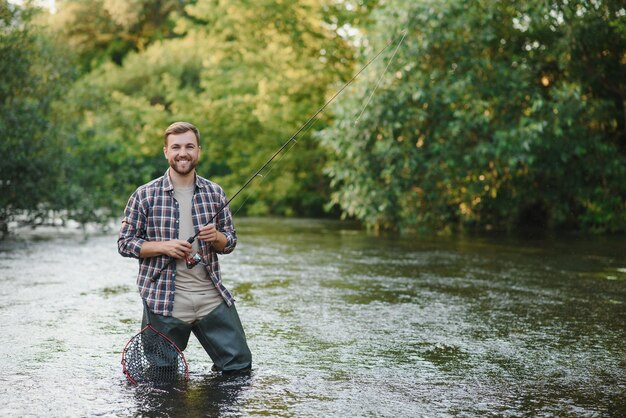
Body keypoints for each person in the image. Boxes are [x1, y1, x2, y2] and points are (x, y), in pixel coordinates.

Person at [118, 121, 252, 374]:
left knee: (239, 368)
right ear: (166, 152)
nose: (183, 153)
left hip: (210, 297)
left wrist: (217, 238)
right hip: (163, 300)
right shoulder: (144, 195)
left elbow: (230, 242)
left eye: (189, 146)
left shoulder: (215, 193)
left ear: (198, 150)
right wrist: (164, 247)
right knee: (162, 379)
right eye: (176, 147)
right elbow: (125, 244)